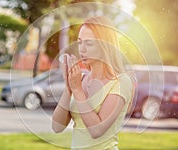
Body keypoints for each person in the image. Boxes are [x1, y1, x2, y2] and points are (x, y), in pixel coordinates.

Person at [52, 16, 134, 150]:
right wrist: (69, 88)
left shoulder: (121, 82)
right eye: (80, 42)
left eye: (89, 43)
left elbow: (97, 130)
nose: (82, 49)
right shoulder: (81, 80)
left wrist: (77, 90)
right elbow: (57, 127)